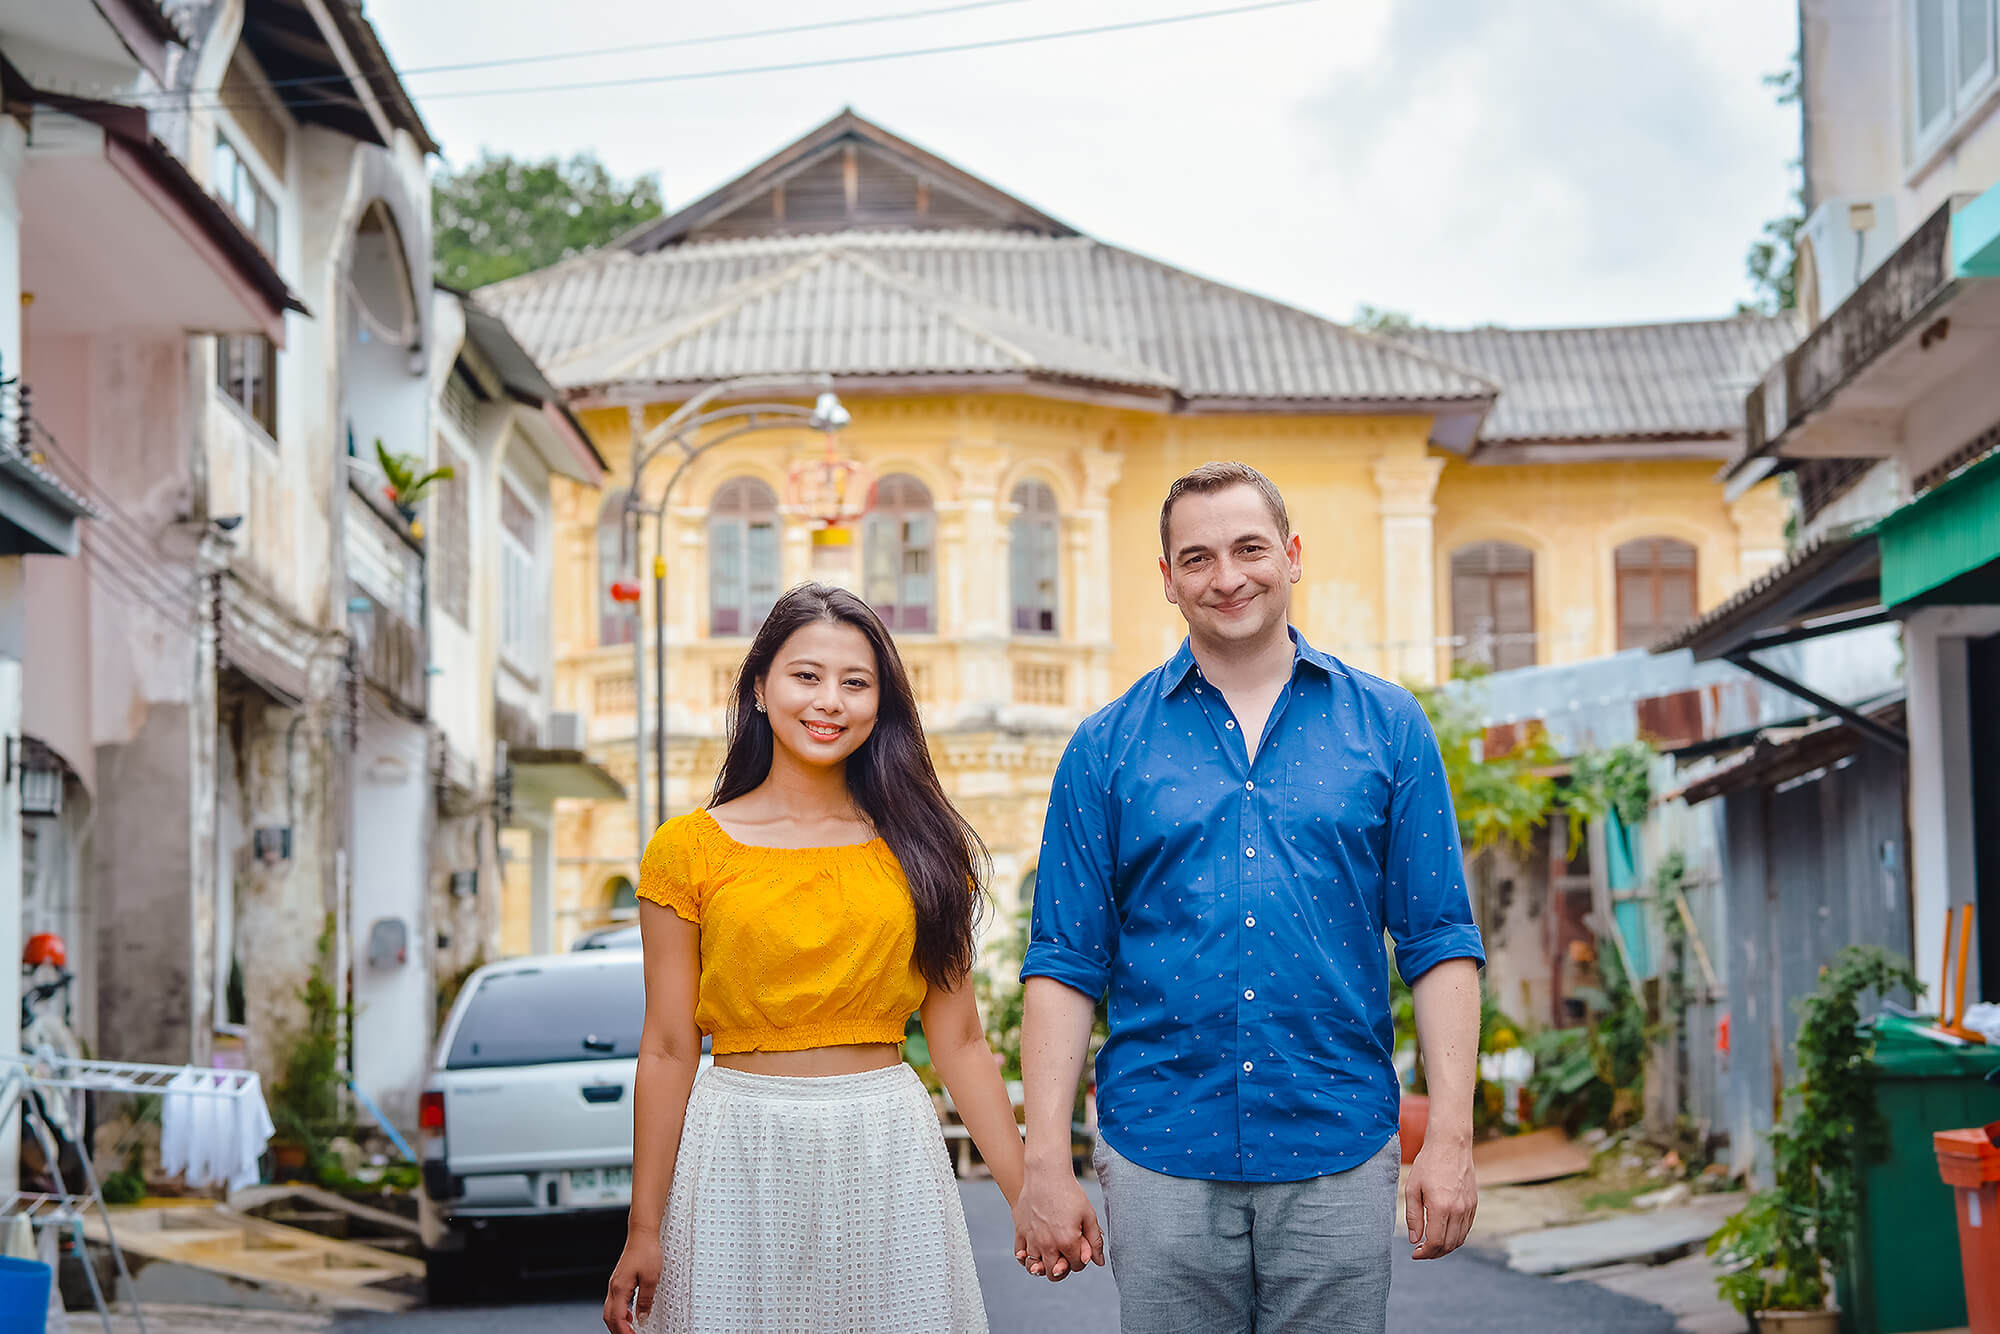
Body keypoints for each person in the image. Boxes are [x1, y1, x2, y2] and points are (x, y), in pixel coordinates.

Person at [1011, 461, 1485, 1332]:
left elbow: (1440, 940)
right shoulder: (1104, 748)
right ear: (1167, 580)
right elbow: (1064, 962)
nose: (1226, 577)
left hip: (1338, 1143)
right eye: (1196, 558)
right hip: (1159, 1149)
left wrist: (1449, 1137)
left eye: (1248, 548)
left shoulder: (1388, 727)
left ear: (1293, 555)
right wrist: (1045, 1157)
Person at [604, 582, 1025, 1334]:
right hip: (735, 1146)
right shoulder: (688, 850)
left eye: (855, 683)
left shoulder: (923, 849)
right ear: (760, 688)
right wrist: (644, 1227)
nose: (830, 701)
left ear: (880, 703)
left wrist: (1030, 1197)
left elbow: (960, 1040)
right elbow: (668, 1047)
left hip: (888, 1145)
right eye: (807, 676)